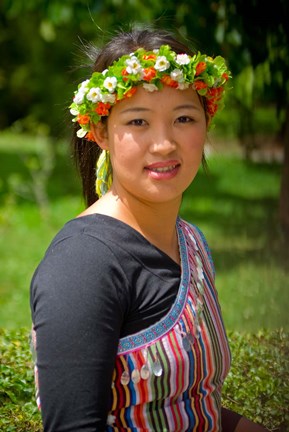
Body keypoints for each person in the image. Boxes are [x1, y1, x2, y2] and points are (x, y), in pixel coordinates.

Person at [30, 27, 268, 432]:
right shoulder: (83, 264)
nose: (164, 144)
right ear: (102, 132)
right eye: (138, 121)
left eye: (183, 118)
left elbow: (195, 406)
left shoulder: (190, 241)